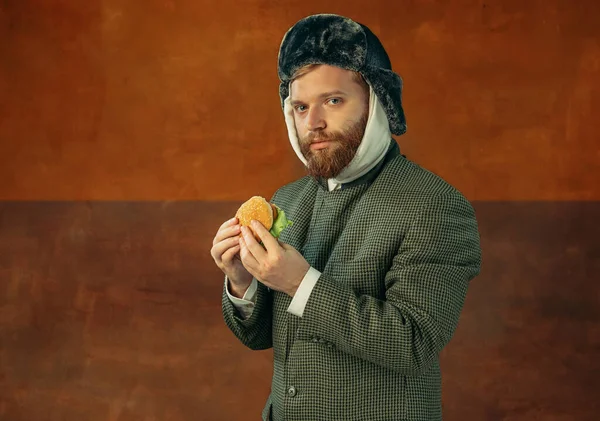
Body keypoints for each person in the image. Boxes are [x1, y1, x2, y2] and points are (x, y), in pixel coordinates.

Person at [210, 13, 482, 421]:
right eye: (300, 107)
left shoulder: (435, 205)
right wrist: (242, 281)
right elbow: (265, 336)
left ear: (377, 103)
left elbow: (413, 343)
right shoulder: (288, 199)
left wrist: (300, 283)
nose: (313, 123)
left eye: (333, 101)